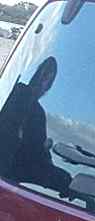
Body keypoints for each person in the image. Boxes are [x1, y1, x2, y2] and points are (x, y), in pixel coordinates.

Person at [0, 57, 72, 196]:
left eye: (49, 80)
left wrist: (66, 182)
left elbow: (36, 159)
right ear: (35, 73)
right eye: (43, 74)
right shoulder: (14, 93)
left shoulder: (38, 113)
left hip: (9, 184)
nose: (44, 82)